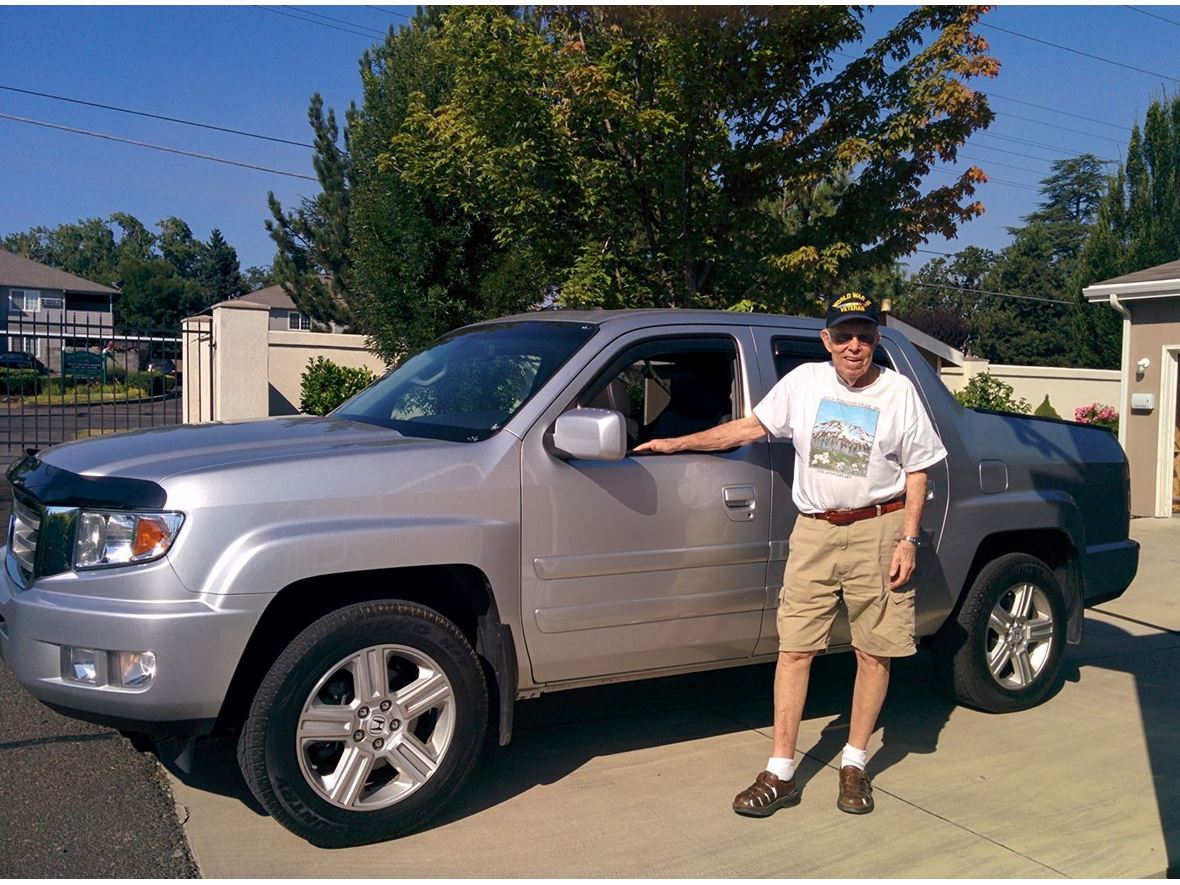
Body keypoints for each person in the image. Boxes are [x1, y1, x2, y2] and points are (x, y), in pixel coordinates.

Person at [634, 292, 947, 816]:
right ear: (826, 340)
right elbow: (750, 427)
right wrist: (676, 443)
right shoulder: (803, 382)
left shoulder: (898, 393)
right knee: (796, 647)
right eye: (843, 335)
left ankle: (854, 762)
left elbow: (919, 470)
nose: (854, 346)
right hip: (815, 531)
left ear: (876, 341)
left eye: (865, 336)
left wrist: (909, 540)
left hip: (880, 529)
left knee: (875, 650)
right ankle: (780, 772)